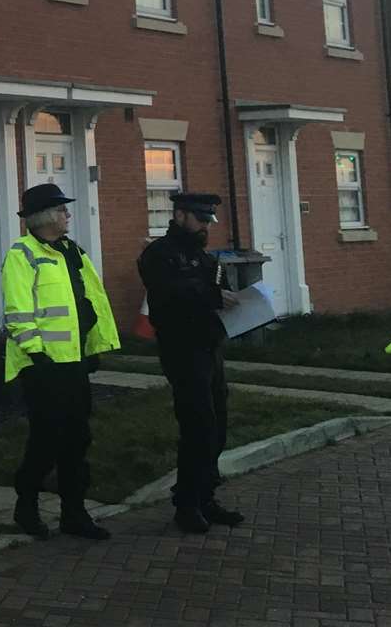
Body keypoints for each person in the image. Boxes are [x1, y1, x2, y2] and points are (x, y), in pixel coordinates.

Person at [2, 182, 120, 541]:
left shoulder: (73, 252)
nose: (68, 215)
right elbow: (18, 312)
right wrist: (38, 355)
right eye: (62, 210)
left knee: (77, 439)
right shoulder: (22, 255)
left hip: (76, 363)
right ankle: (27, 506)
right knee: (45, 440)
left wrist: (93, 347)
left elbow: (91, 301)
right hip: (43, 367)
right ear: (46, 217)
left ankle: (74, 513)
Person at [138, 191, 246, 534]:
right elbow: (169, 293)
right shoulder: (159, 255)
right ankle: (186, 503)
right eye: (200, 219)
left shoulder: (205, 258)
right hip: (182, 350)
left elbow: (217, 291)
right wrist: (212, 295)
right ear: (181, 215)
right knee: (197, 424)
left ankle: (206, 496)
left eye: (208, 221)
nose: (204, 227)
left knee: (217, 424)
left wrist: (231, 299)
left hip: (210, 347)